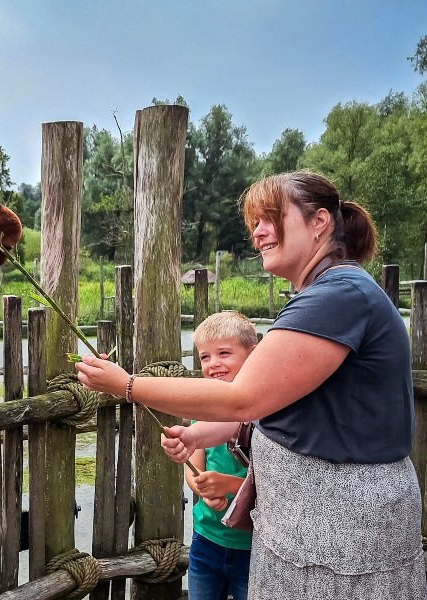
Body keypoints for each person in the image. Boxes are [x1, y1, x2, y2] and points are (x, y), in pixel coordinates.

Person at [76, 171, 426, 599]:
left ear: (319, 223)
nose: (258, 231)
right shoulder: (324, 294)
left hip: (338, 531)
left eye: (271, 217)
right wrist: (198, 433)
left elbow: (241, 398)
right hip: (307, 527)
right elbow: (277, 408)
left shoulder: (338, 296)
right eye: (254, 222)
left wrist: (127, 386)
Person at [176, 311, 257, 600]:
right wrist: (203, 487)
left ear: (253, 354)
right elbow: (193, 469)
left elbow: (277, 483)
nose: (213, 364)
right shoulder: (205, 413)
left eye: (224, 353)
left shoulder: (263, 415)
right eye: (205, 357)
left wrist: (228, 485)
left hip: (254, 545)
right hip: (206, 538)